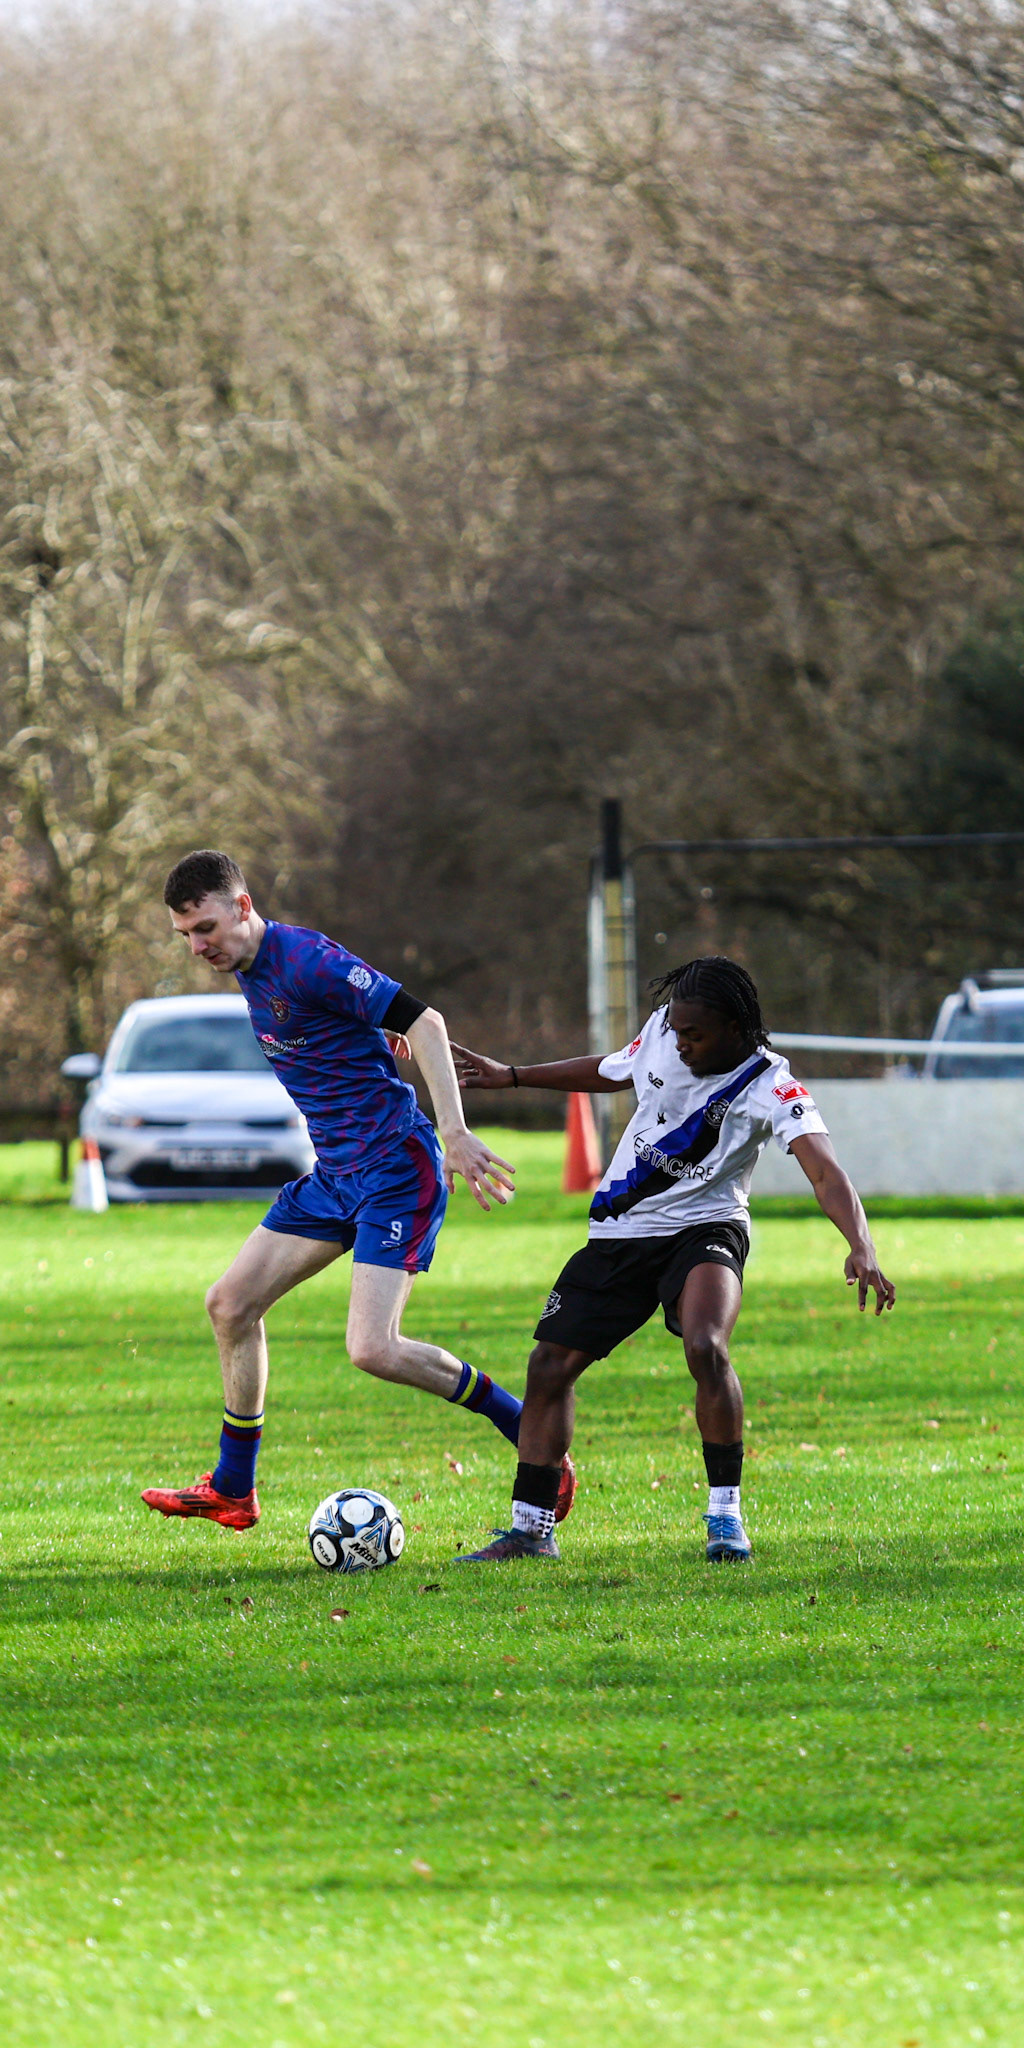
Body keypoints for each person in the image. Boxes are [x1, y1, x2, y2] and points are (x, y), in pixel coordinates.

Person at [141, 850, 575, 1531]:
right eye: (185, 935)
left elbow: (426, 1022)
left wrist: (455, 1131)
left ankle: (529, 1433)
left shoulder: (305, 957)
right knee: (229, 1304)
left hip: (397, 1170)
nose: (198, 947)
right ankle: (233, 1488)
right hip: (336, 1176)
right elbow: (339, 1024)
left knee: (373, 1349)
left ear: (243, 907)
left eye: (205, 929)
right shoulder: (250, 967)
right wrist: (368, 1029)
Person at [450, 954, 895, 1565]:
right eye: (678, 1030)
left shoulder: (772, 1085)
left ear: (735, 1029)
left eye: (695, 1035)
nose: (681, 1043)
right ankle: (531, 1531)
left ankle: (725, 1519)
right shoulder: (663, 1029)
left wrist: (861, 1245)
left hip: (707, 1228)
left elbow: (825, 1171)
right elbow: (614, 1069)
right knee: (549, 1365)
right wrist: (513, 1076)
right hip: (622, 1230)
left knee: (705, 1345)